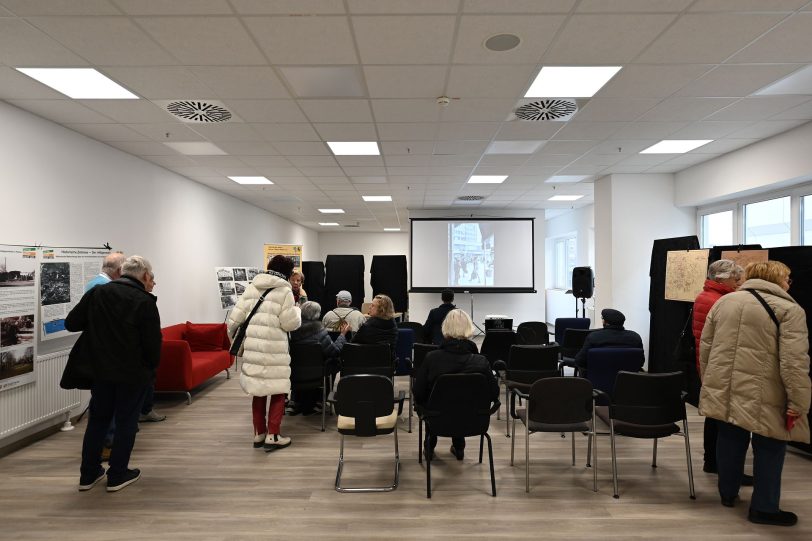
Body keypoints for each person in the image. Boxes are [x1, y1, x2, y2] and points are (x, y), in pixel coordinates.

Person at [699, 261, 810, 527]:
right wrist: (799, 401)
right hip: (766, 390)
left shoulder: (724, 302)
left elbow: (706, 347)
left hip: (725, 385)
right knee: (770, 445)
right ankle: (764, 508)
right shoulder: (789, 310)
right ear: (776, 279)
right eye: (787, 278)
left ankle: (727, 493)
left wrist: (709, 380)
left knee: (729, 437)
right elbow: (794, 362)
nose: (789, 283)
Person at [65, 255, 161, 493]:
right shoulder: (144, 301)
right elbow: (152, 345)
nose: (153, 283)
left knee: (97, 421)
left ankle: (88, 474)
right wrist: (151, 370)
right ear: (145, 276)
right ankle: (117, 474)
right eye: (152, 278)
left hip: (101, 372)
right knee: (127, 421)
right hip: (132, 374)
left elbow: (72, 323)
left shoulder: (98, 293)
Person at [228, 255, 301, 452]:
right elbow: (289, 323)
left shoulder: (253, 286)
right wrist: (298, 312)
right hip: (275, 348)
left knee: (258, 390)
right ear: (286, 272)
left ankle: (259, 433)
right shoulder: (284, 290)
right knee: (278, 389)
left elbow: (234, 320)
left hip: (254, 347)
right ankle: (274, 435)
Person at [413, 309, 499, 461]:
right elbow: (494, 394)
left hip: (437, 419)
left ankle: (430, 444)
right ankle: (459, 446)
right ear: (469, 329)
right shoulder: (481, 362)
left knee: (435, 402)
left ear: (445, 328)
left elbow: (418, 392)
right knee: (460, 402)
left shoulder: (432, 359)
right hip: (474, 421)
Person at [692, 259, 745, 479]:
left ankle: (712, 461)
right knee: (721, 420)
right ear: (722, 278)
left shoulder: (707, 296)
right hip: (716, 366)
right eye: (736, 279)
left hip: (710, 364)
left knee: (714, 417)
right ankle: (722, 466)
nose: (739, 283)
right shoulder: (719, 301)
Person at [289, 301, 350, 415]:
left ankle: (294, 401)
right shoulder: (320, 332)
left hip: (294, 374)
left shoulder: (291, 331)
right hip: (317, 374)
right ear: (317, 315)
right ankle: (320, 401)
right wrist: (342, 335)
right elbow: (334, 351)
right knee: (335, 362)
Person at [573, 308, 643, 375]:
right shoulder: (635, 337)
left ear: (605, 322)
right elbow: (640, 362)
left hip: (597, 382)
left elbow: (579, 361)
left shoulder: (594, 337)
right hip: (627, 383)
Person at [352, 293, 398, 358]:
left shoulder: (367, 326)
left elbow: (353, 343)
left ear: (381, 310)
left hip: (365, 363)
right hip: (386, 364)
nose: (369, 307)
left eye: (373, 305)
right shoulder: (394, 327)